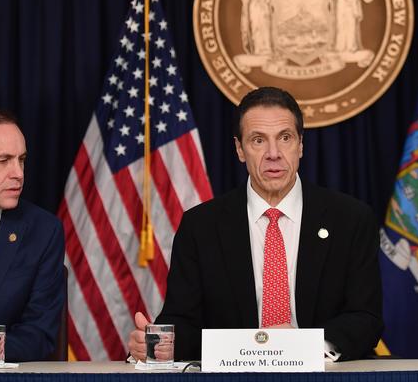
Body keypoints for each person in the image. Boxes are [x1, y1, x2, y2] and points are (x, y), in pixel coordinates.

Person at [128, 87, 382, 361]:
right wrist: (159, 343)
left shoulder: (351, 219)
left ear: (300, 145)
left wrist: (303, 346)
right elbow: (183, 320)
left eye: (285, 138)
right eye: (258, 140)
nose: (273, 153)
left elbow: (366, 317)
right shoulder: (200, 226)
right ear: (240, 149)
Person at [0, 108, 65, 362]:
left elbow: (40, 333)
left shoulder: (43, 230)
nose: (18, 173)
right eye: (3, 160)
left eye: (22, 160)